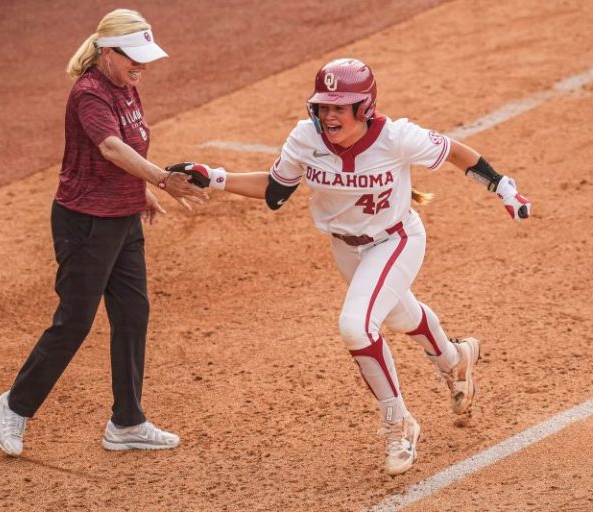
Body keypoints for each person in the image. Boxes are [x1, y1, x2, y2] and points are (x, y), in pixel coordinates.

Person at [166, 58, 531, 476]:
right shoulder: (305, 139)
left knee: (356, 326)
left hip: (396, 240)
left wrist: (503, 187)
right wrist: (214, 176)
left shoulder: (396, 137)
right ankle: (455, 359)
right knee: (398, 313)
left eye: (340, 107)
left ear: (364, 108)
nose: (328, 115)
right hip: (346, 248)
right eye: (323, 106)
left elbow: (456, 153)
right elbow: (274, 191)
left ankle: (399, 422)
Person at [0, 8, 208, 457]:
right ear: (107, 52)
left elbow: (129, 145)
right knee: (74, 321)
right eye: (133, 57)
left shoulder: (126, 86)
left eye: (145, 57)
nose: (141, 66)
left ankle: (127, 422)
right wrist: (160, 180)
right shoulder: (89, 93)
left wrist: (139, 191)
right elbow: (110, 147)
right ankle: (13, 405)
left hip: (121, 217)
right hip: (85, 222)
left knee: (132, 313)